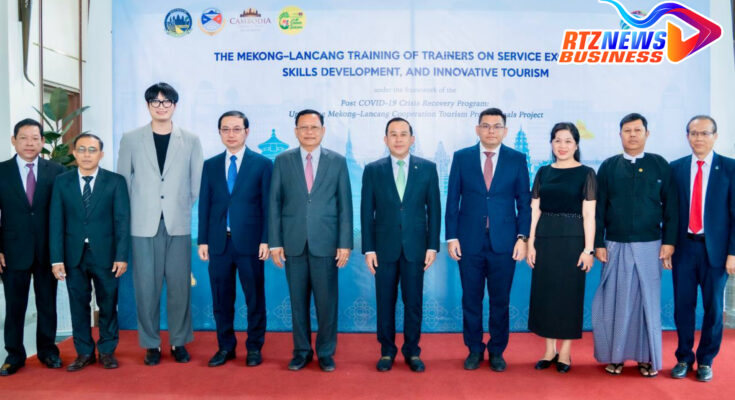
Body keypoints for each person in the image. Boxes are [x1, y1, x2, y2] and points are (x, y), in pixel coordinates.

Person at [117, 82, 203, 365]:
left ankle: (179, 341)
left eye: (167, 102)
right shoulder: (131, 139)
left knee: (179, 287)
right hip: (143, 225)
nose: (161, 106)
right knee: (146, 288)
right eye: (155, 101)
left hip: (178, 224)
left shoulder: (191, 140)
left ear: (175, 106)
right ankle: (151, 344)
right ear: (148, 105)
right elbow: (123, 182)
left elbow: (195, 184)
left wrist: (176, 207)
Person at [445, 107, 531, 372]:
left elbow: (524, 202)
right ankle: (474, 348)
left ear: (505, 131)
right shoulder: (462, 157)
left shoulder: (517, 159)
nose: (491, 131)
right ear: (477, 129)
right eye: (486, 125)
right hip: (469, 241)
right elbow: (452, 200)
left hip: (504, 243)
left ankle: (496, 350)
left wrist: (523, 237)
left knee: (500, 301)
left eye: (496, 126)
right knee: (471, 299)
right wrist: (451, 237)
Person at [592, 113, 678, 377]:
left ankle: (647, 357)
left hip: (650, 244)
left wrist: (669, 242)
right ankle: (616, 357)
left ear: (647, 134)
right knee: (616, 302)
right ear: (619, 135)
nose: (632, 135)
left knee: (646, 303)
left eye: (637, 130)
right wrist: (598, 243)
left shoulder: (660, 165)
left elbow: (672, 208)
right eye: (627, 130)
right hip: (614, 243)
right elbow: (598, 209)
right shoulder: (609, 166)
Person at [268, 109, 353, 372]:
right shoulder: (282, 161)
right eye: (303, 127)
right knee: (298, 303)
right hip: (293, 243)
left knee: (327, 303)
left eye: (314, 127)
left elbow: (345, 206)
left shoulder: (337, 162)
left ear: (323, 131)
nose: (309, 132)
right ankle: (301, 351)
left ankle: (326, 352)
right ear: (295, 131)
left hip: (326, 244)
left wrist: (345, 243)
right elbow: (274, 203)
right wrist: (275, 242)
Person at [360, 117, 441, 372]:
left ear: (412, 139)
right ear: (385, 139)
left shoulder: (427, 169)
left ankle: (412, 351)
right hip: (383, 248)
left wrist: (432, 246)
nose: (398, 139)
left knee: (413, 302)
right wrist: (369, 249)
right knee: (385, 302)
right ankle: (387, 351)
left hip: (416, 248)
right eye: (393, 134)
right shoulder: (373, 170)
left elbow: (434, 210)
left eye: (403, 134)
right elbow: (366, 212)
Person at [49, 134, 130, 371]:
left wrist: (121, 255)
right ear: (74, 153)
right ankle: (84, 352)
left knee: (108, 304)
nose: (87, 154)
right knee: (78, 305)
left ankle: (106, 351)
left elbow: (122, 221)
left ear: (101, 154)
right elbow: (56, 221)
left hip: (107, 255)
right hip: (73, 255)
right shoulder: (62, 182)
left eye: (92, 150)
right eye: (82, 149)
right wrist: (56, 259)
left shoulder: (115, 181)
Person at [197, 111, 272, 367]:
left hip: (251, 243)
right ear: (219, 132)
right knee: (221, 298)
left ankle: (254, 347)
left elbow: (268, 206)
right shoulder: (210, 165)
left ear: (247, 132)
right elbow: (205, 205)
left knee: (254, 298)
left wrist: (266, 239)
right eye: (225, 129)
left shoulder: (262, 164)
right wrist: (203, 240)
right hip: (219, 243)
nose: (231, 134)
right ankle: (225, 347)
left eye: (237, 129)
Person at [669, 115, 735, 382]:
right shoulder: (675, 168)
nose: (699, 138)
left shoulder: (730, 168)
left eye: (705, 133)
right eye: (694, 133)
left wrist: (733, 253)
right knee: (683, 307)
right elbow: (670, 213)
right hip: (684, 249)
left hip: (716, 252)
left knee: (714, 308)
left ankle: (706, 360)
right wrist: (668, 245)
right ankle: (684, 357)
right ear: (687, 137)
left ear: (715, 136)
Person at [526, 122, 596, 373]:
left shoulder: (586, 173)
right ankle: (549, 350)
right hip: (544, 240)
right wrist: (530, 243)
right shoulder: (543, 172)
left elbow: (589, 215)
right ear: (551, 144)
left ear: (576, 145)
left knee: (568, 296)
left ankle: (565, 352)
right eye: (557, 140)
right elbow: (534, 211)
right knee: (545, 294)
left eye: (568, 141)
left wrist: (588, 250)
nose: (562, 145)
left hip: (573, 242)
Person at [0, 119, 65, 376]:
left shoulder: (56, 171)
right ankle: (14, 355)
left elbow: (62, 212)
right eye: (24, 138)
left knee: (47, 304)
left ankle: (48, 351)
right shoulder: (2, 171)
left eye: (35, 138)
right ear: (14, 140)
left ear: (42, 141)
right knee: (14, 306)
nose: (30, 143)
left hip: (47, 251)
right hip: (12, 251)